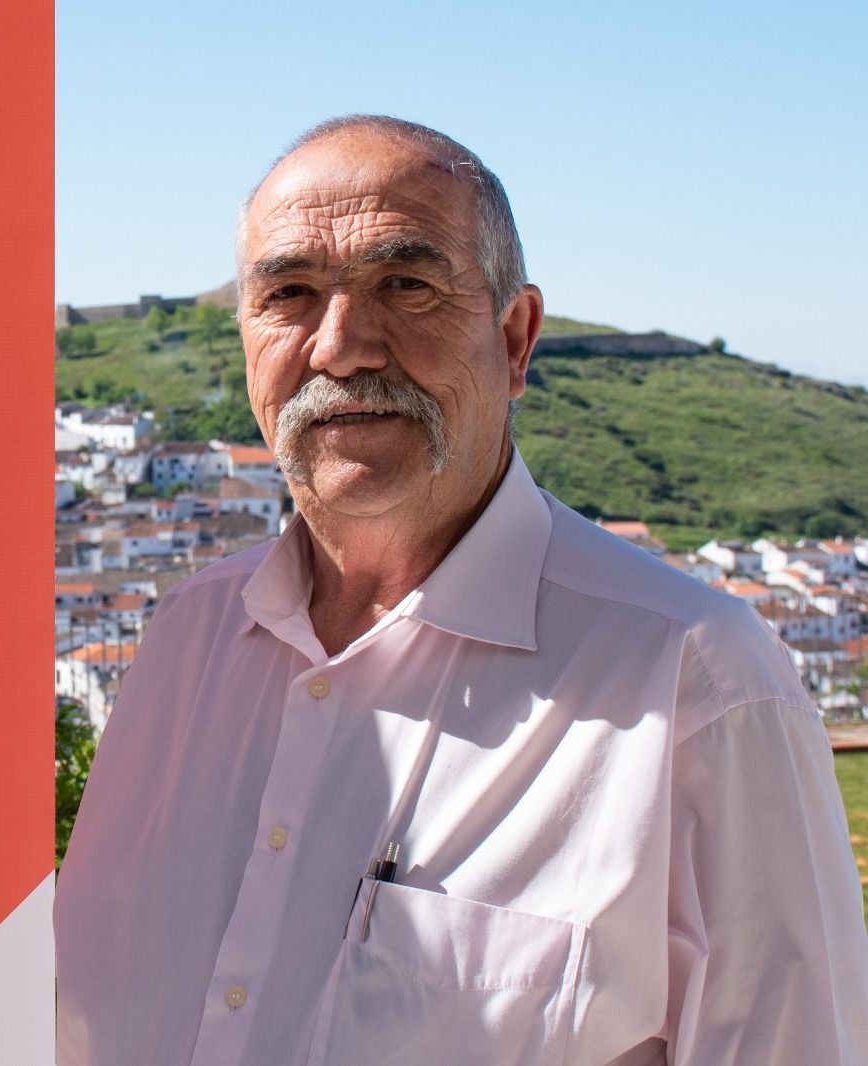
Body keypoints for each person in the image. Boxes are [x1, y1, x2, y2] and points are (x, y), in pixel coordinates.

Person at [54, 115, 868, 1066]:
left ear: (516, 338)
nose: (343, 345)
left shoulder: (695, 681)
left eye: (406, 285)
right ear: (247, 340)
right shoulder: (184, 645)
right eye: (289, 294)